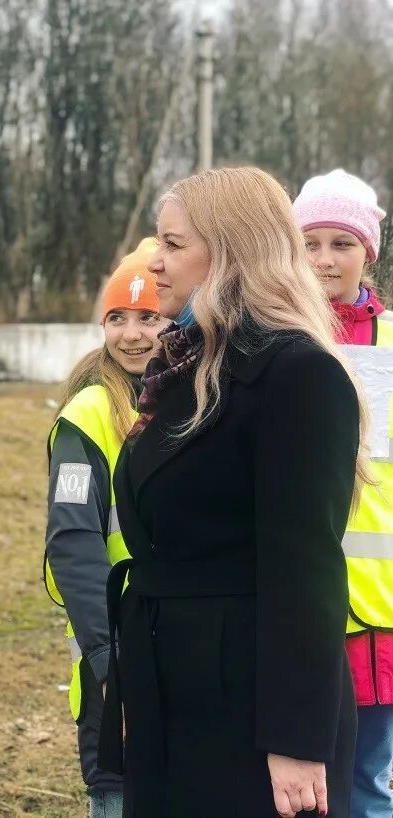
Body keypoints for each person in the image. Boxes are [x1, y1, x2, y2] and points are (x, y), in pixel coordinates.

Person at [99, 167, 366, 818]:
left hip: (248, 707)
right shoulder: (182, 369)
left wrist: (295, 740)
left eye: (170, 244)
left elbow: (303, 570)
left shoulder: (293, 373)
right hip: (172, 688)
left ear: (230, 252)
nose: (152, 264)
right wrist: (134, 694)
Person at [44, 238, 166, 818]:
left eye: (149, 317)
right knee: (118, 798)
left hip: (185, 648)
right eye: (117, 318)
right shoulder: (87, 416)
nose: (133, 334)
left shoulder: (195, 402)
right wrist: (108, 665)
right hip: (116, 656)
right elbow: (72, 546)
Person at [294, 169, 393, 818]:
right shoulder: (276, 335)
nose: (326, 259)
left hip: (380, 611)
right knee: (298, 786)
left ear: (368, 253)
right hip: (296, 602)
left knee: (366, 784)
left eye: (341, 243)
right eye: (310, 243)